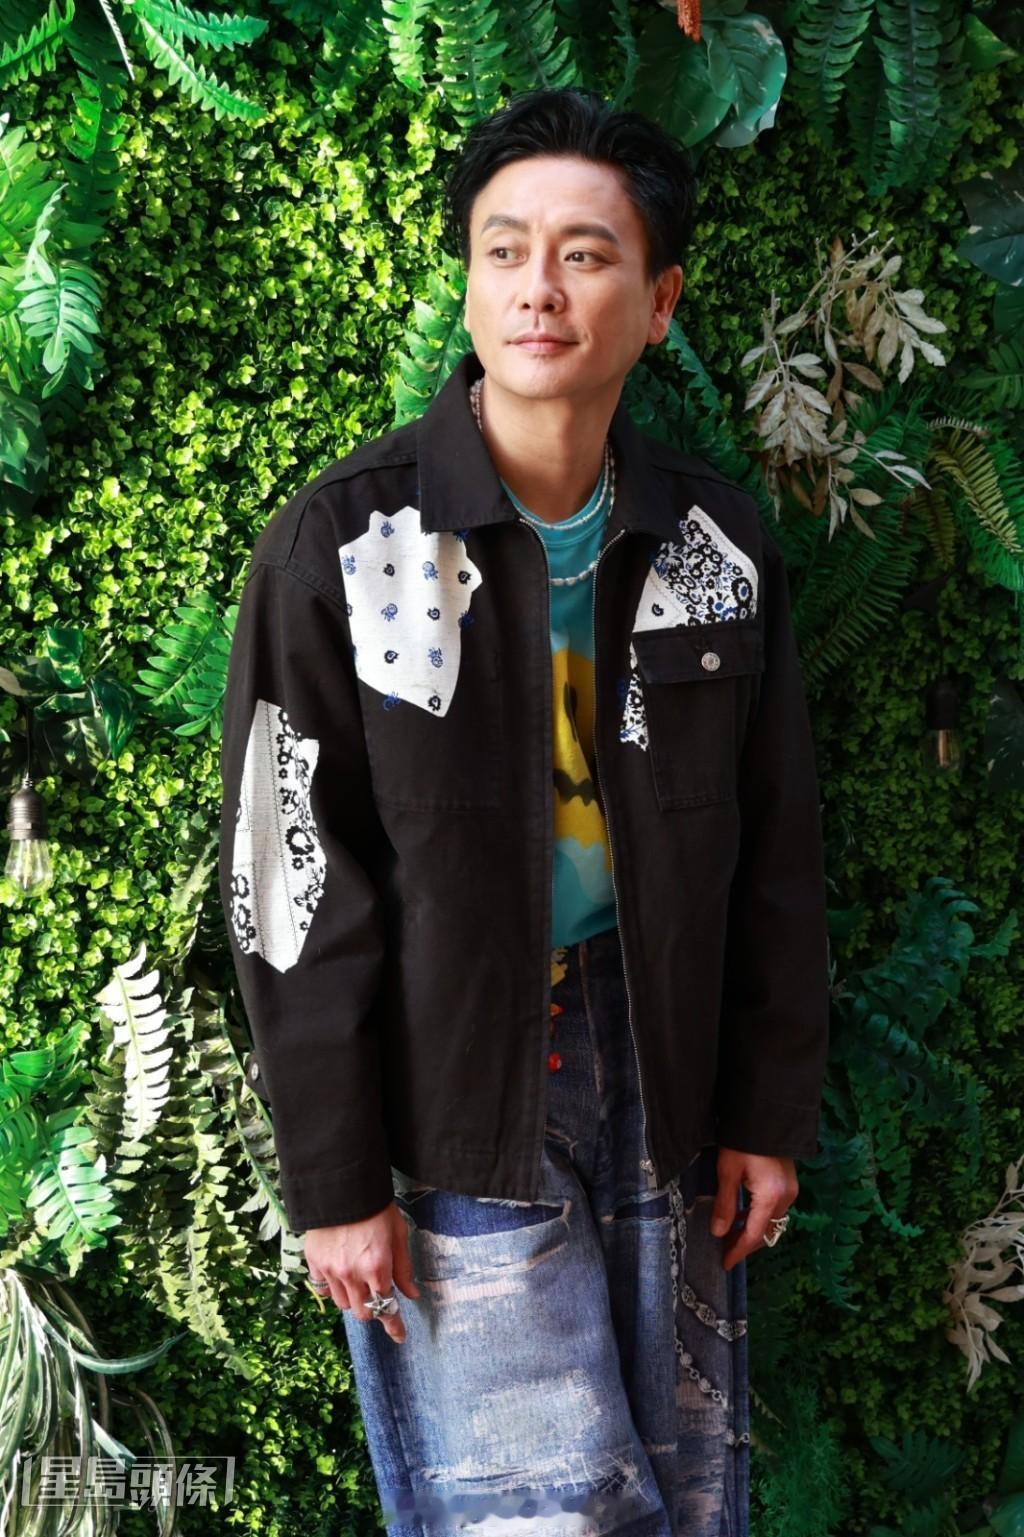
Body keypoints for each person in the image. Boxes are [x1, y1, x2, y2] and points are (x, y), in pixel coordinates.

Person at [218, 84, 830, 1537]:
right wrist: (334, 1175)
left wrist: (765, 1109)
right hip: (452, 1083)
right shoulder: (348, 544)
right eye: (504, 250)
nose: (538, 287)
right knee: (535, 1514)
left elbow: (776, 848)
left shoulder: (712, 542)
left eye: (585, 253)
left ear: (659, 303)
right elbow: (287, 878)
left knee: (687, 1496)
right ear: (469, 282)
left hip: (667, 1070)